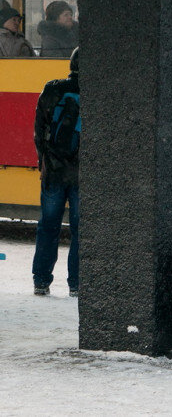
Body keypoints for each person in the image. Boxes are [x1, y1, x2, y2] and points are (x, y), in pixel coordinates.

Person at [31, 47, 80, 297]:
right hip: (84, 174)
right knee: (81, 230)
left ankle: (41, 280)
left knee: (48, 226)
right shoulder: (100, 93)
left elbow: (39, 129)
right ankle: (77, 284)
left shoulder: (52, 88)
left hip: (54, 171)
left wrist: (43, 159)